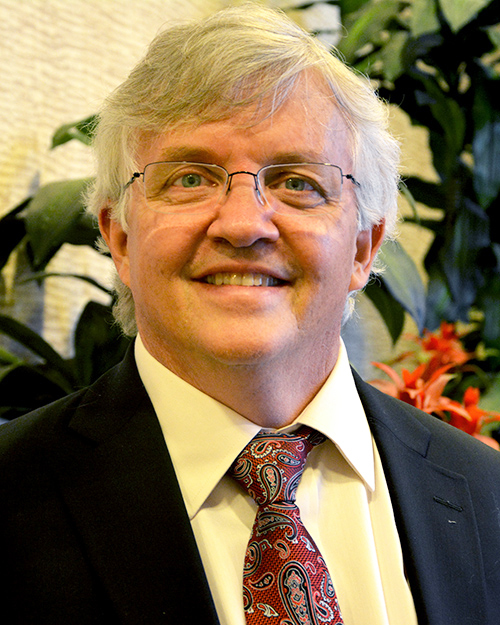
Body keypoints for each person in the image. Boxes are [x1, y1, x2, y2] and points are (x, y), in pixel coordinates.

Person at [1, 4, 499, 624]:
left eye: (297, 182)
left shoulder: (487, 495)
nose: (242, 224)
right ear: (121, 239)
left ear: (364, 248)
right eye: (189, 178)